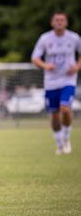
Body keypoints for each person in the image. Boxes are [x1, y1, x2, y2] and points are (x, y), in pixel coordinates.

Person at [31, 12, 81, 155]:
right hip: (51, 82)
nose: (59, 22)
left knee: (65, 108)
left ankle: (66, 138)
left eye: (62, 20)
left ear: (66, 23)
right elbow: (35, 58)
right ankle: (59, 144)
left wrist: (77, 67)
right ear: (52, 23)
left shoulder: (74, 38)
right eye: (56, 20)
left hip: (68, 80)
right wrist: (46, 66)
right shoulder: (45, 38)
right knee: (54, 115)